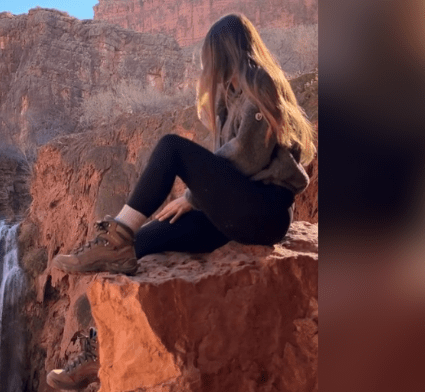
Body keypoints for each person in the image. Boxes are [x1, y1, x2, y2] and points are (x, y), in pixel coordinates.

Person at [46, 13, 315, 390]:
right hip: (237, 212)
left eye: (209, 55)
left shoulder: (260, 82)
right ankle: (98, 352)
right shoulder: (231, 96)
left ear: (224, 51)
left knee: (171, 147)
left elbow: (248, 157)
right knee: (148, 241)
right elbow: (228, 163)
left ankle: (117, 234)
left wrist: (193, 194)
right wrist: (200, 199)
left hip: (264, 211)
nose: (207, 66)